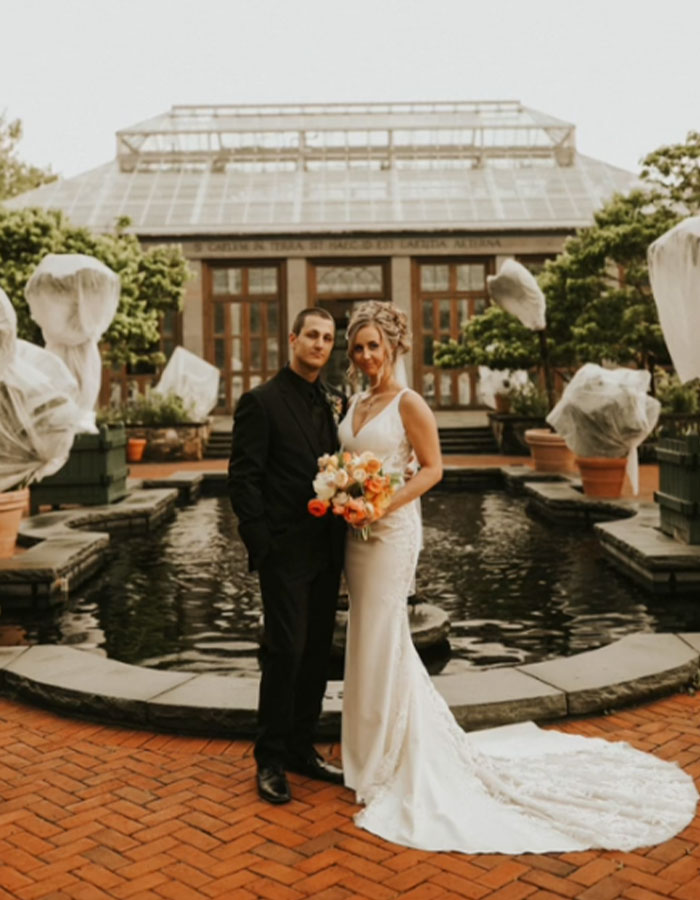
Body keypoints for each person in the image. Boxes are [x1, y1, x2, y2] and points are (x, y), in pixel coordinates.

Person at [338, 300, 698, 853]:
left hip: (391, 532)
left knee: (386, 634)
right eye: (358, 347)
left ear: (392, 348)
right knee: (365, 634)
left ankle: (391, 756)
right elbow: (349, 461)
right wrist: (343, 490)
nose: (365, 356)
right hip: (355, 537)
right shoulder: (356, 400)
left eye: (373, 346)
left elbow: (433, 469)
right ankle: (365, 751)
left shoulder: (410, 404)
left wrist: (382, 503)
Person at [228, 307, 346, 805]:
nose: (320, 344)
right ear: (293, 338)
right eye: (312, 335)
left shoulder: (331, 400)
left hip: (328, 550)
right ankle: (270, 757)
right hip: (284, 553)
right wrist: (264, 546)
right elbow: (243, 478)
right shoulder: (261, 401)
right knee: (287, 652)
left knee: (318, 653)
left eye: (327, 338)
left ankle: (301, 746)